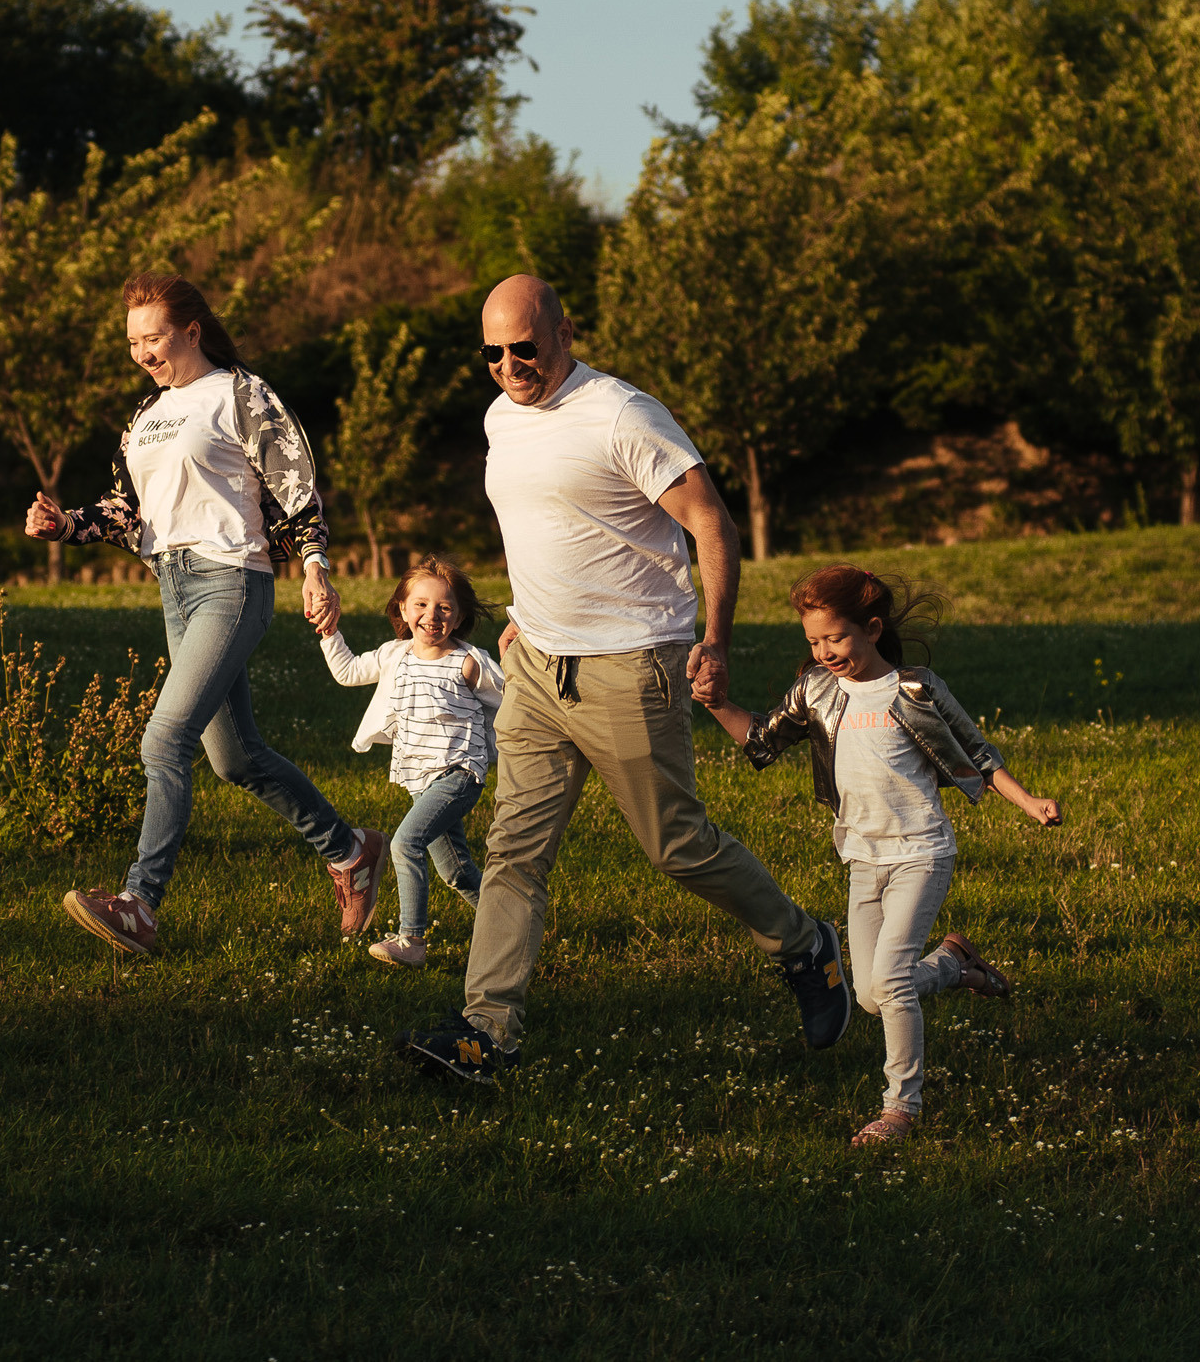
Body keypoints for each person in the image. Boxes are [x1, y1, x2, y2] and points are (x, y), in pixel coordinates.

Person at [395, 275, 849, 1082]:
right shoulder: (502, 416)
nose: (509, 366)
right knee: (513, 852)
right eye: (492, 353)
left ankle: (805, 943)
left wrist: (714, 636)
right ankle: (486, 1028)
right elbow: (544, 520)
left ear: (566, 333)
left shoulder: (622, 414)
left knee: (676, 845)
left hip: (632, 667)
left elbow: (711, 520)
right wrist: (525, 612)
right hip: (536, 670)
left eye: (524, 348)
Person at [34, 271, 384, 957]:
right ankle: (351, 849)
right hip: (174, 584)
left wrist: (316, 568)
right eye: (133, 340)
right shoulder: (145, 415)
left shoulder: (240, 394)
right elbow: (125, 508)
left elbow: (296, 489)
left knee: (164, 739)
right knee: (234, 756)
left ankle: (140, 902)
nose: (142, 351)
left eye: (154, 336)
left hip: (232, 581)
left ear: (191, 330)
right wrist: (65, 523)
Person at [704, 564, 1062, 1145]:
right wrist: (717, 702)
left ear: (871, 629)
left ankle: (902, 1108)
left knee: (890, 984)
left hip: (921, 850)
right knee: (871, 996)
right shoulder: (817, 691)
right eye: (813, 642)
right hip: (861, 857)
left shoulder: (915, 690)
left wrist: (1029, 801)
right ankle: (954, 963)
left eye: (835, 638)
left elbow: (976, 751)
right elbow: (761, 740)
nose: (824, 652)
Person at [315, 555, 505, 971]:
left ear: (458, 616)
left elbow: (510, 705)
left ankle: (411, 940)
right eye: (420, 604)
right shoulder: (394, 655)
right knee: (455, 870)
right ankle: (512, 929)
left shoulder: (468, 662)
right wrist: (330, 632)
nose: (431, 615)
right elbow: (348, 672)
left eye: (443, 607)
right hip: (419, 777)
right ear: (402, 609)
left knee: (405, 844)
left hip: (459, 773)